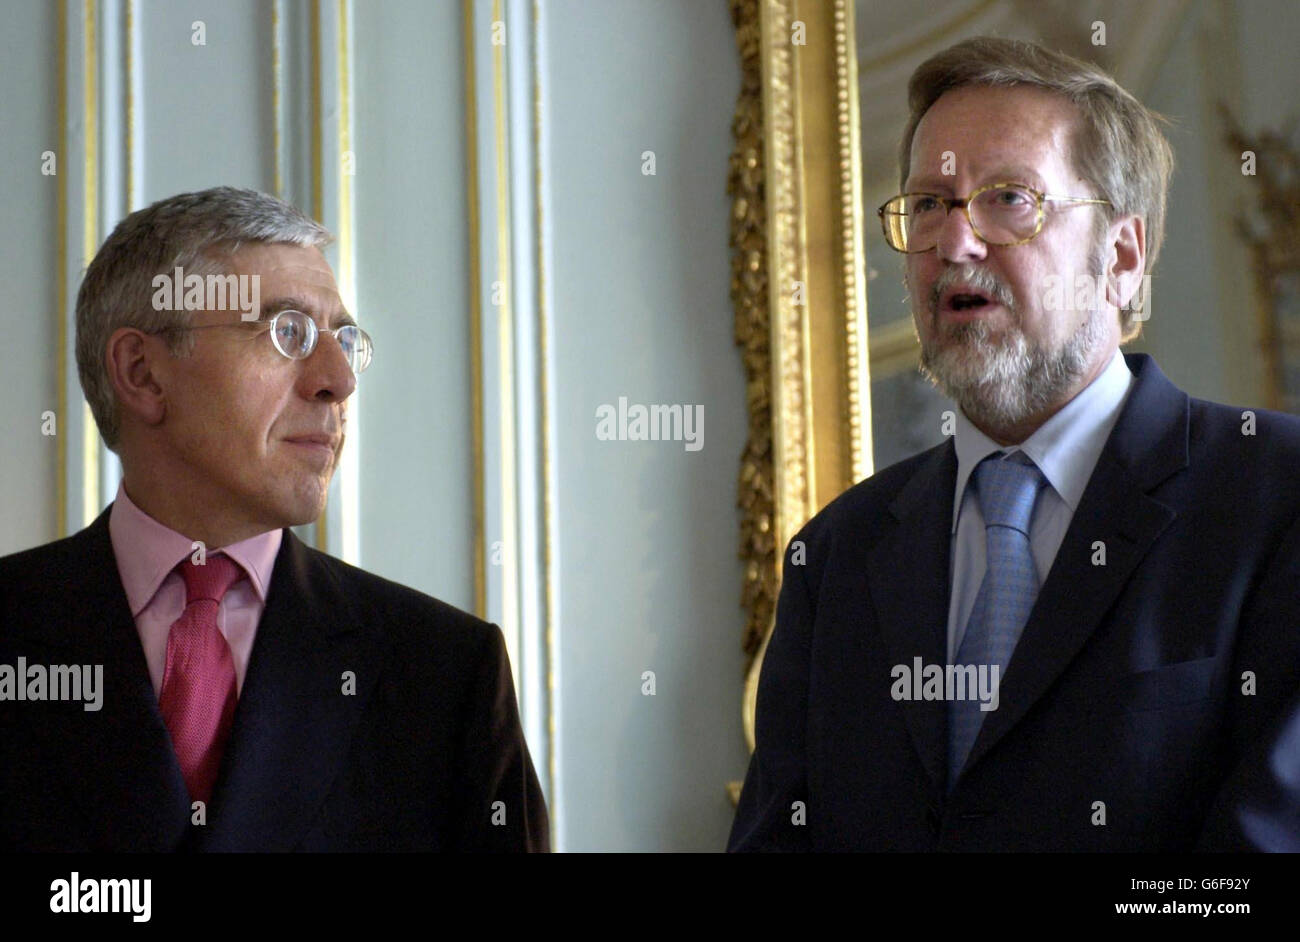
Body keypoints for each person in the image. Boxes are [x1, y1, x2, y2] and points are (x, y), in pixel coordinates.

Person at [728, 36, 1300, 851]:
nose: (954, 244)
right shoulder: (837, 555)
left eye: (1008, 199)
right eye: (929, 204)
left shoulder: (1274, 497)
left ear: (1123, 258)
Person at [0, 186, 549, 851]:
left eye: (346, 339)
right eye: (288, 333)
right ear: (142, 373)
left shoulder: (446, 676)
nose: (339, 379)